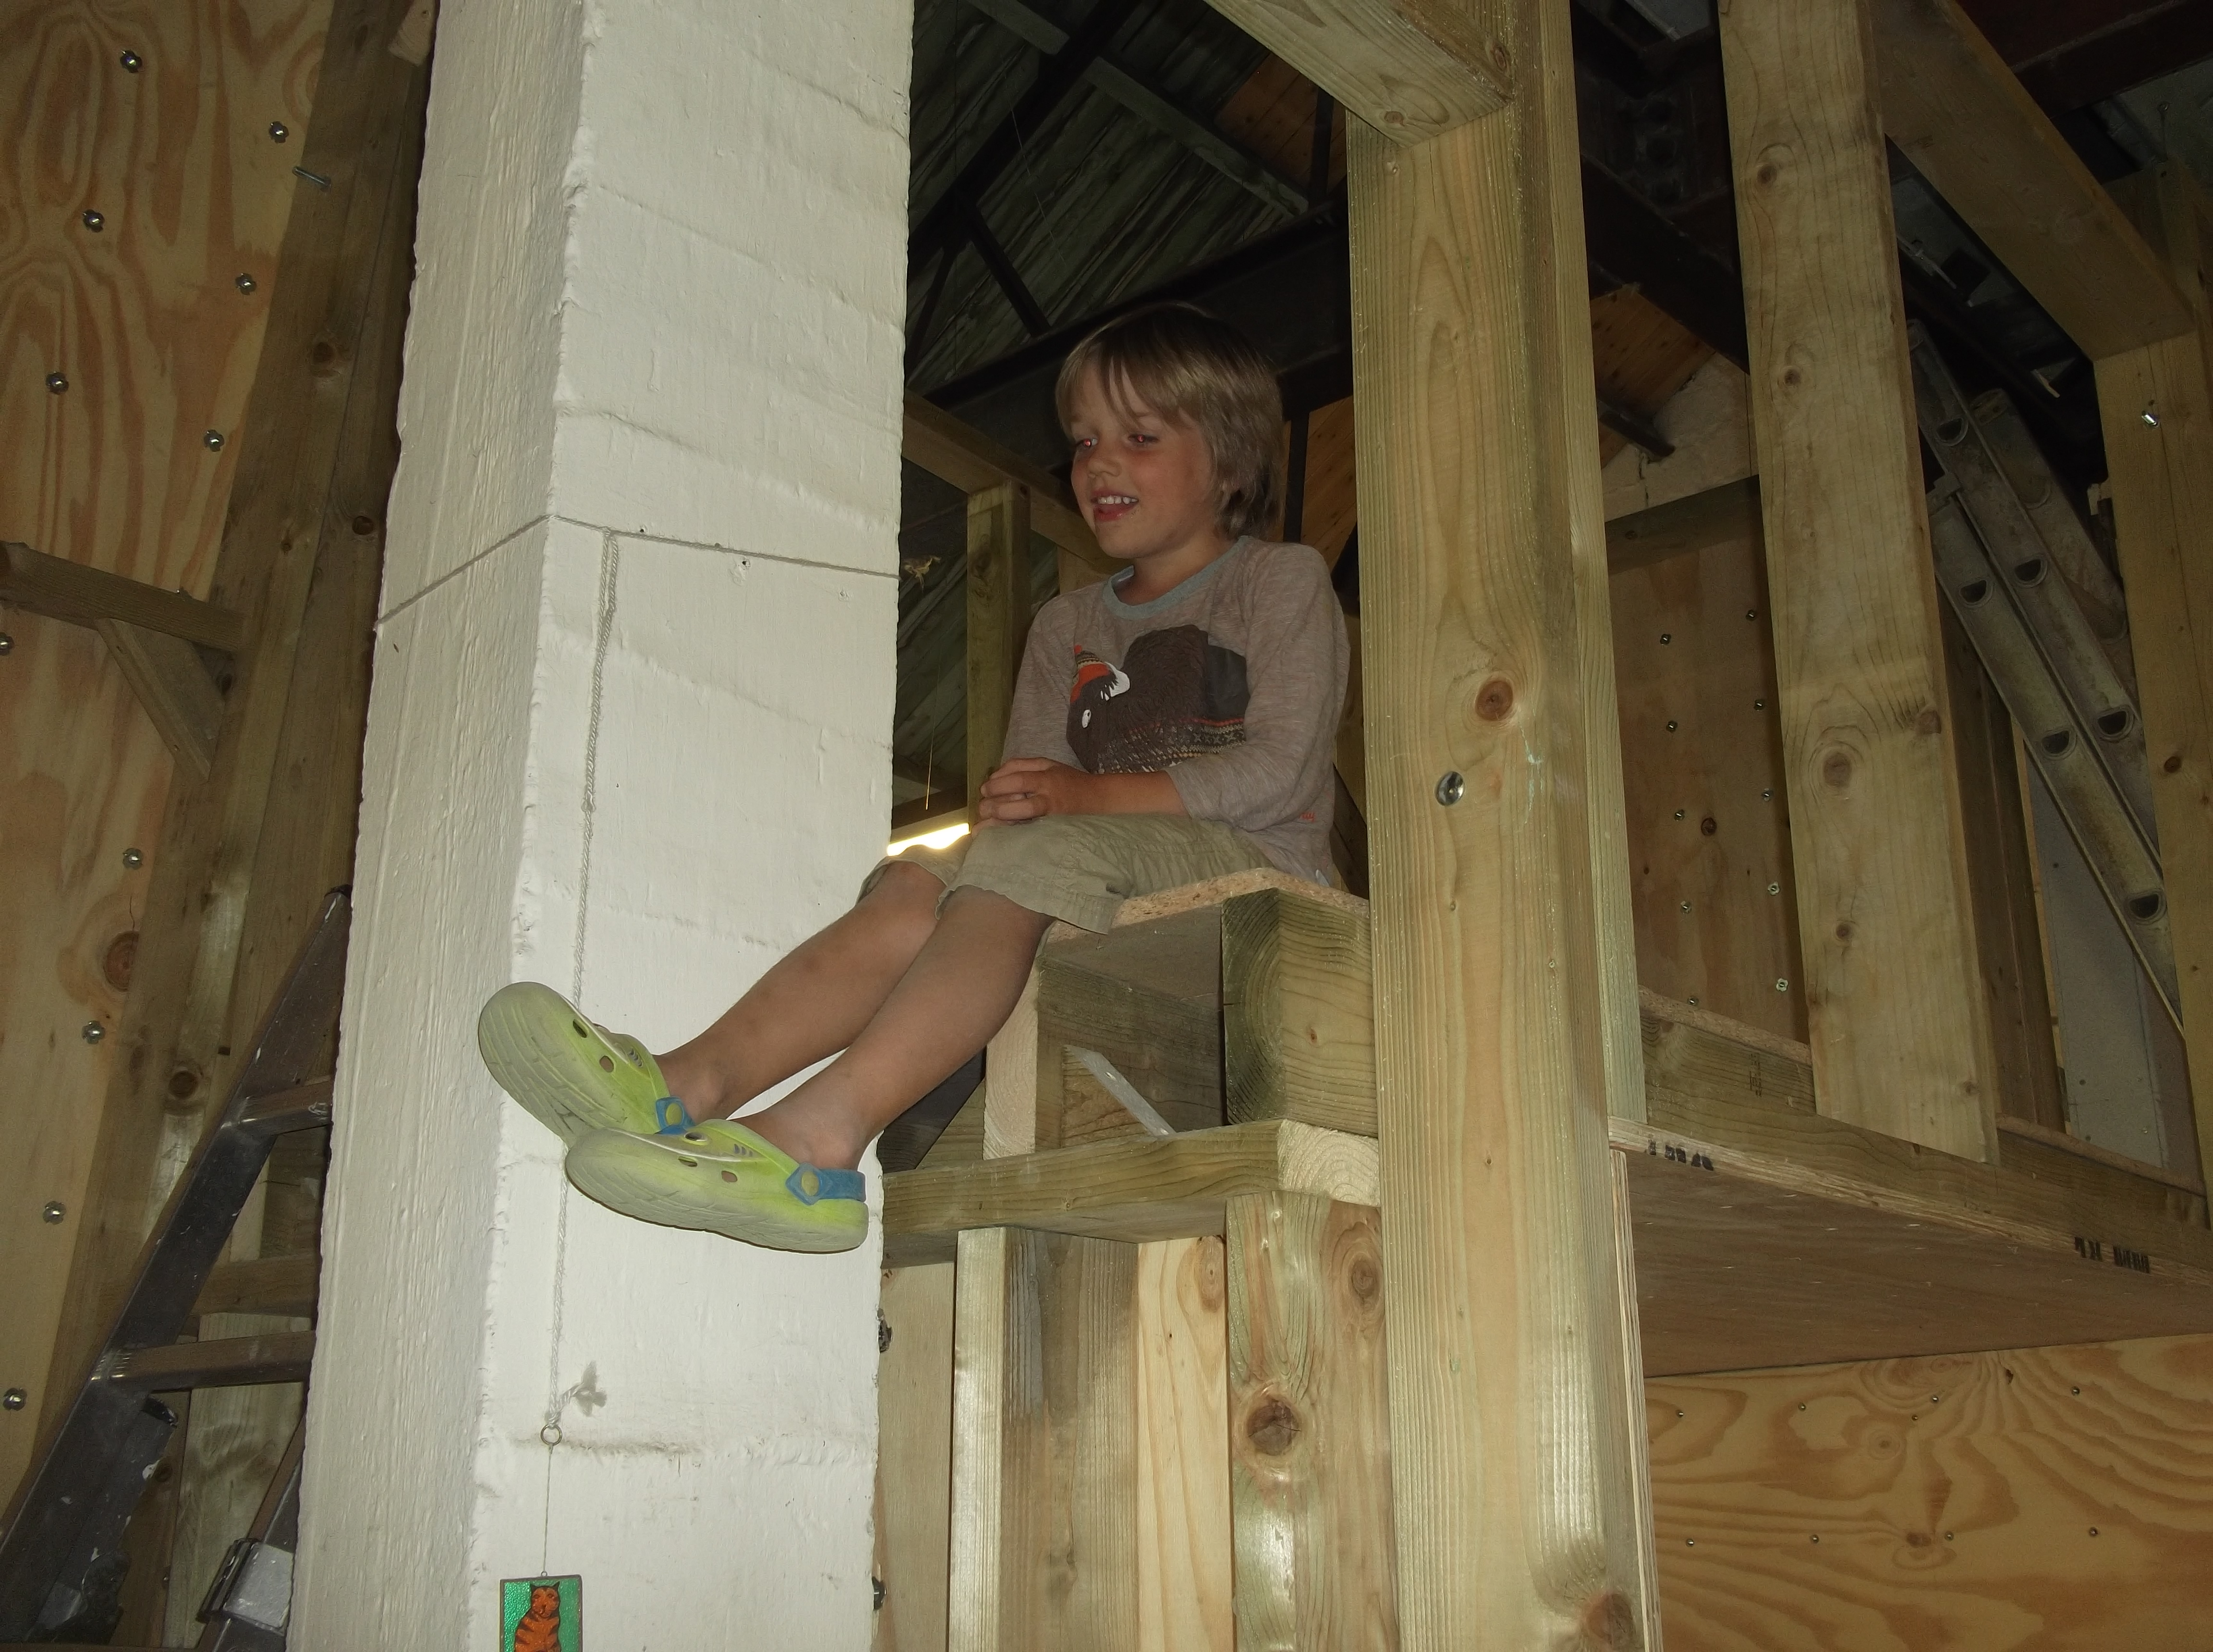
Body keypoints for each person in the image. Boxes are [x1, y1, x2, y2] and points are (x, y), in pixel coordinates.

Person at [476, 303, 1348, 1252]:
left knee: (1025, 847)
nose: (1100, 463)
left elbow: (1280, 772)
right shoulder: (1065, 626)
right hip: (1099, 872)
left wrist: (1078, 798)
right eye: (1085, 440)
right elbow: (1027, 800)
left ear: (1228, 460)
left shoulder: (1278, 581)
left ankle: (821, 1137)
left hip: (1256, 868)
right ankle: (686, 1083)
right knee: (914, 881)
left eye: (1139, 438)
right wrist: (1025, 817)